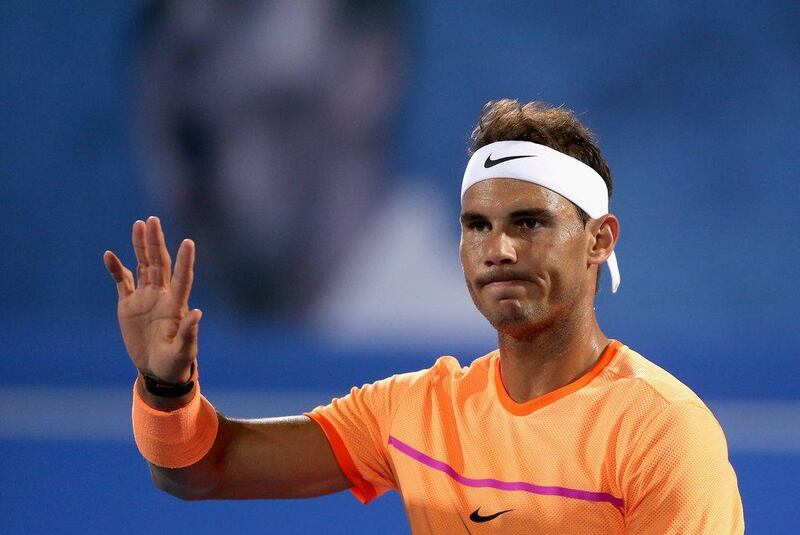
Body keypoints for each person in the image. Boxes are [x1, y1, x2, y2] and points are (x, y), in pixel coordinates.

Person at [104, 100, 744, 534]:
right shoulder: (413, 413)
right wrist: (167, 388)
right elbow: (201, 471)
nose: (499, 249)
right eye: (478, 226)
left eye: (529, 222)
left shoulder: (661, 433)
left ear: (600, 240)